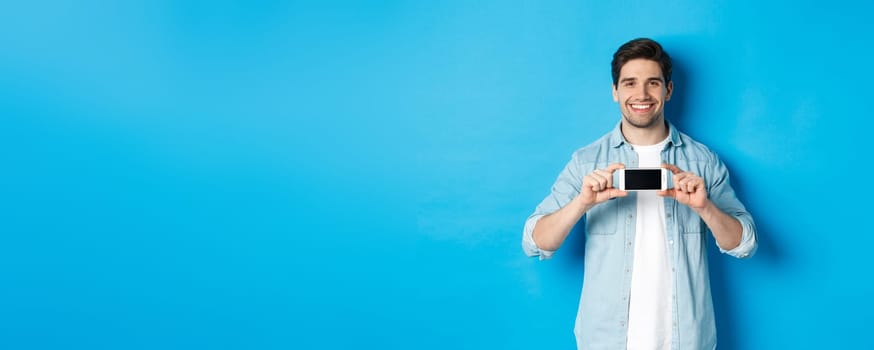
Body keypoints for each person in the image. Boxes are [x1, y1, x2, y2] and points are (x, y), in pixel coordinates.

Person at [521, 38, 757, 350]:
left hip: (685, 339)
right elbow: (535, 242)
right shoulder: (586, 161)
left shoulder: (703, 161)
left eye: (653, 83)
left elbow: (745, 244)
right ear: (615, 91)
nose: (641, 94)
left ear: (668, 91)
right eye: (629, 83)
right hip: (605, 340)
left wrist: (705, 208)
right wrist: (582, 202)